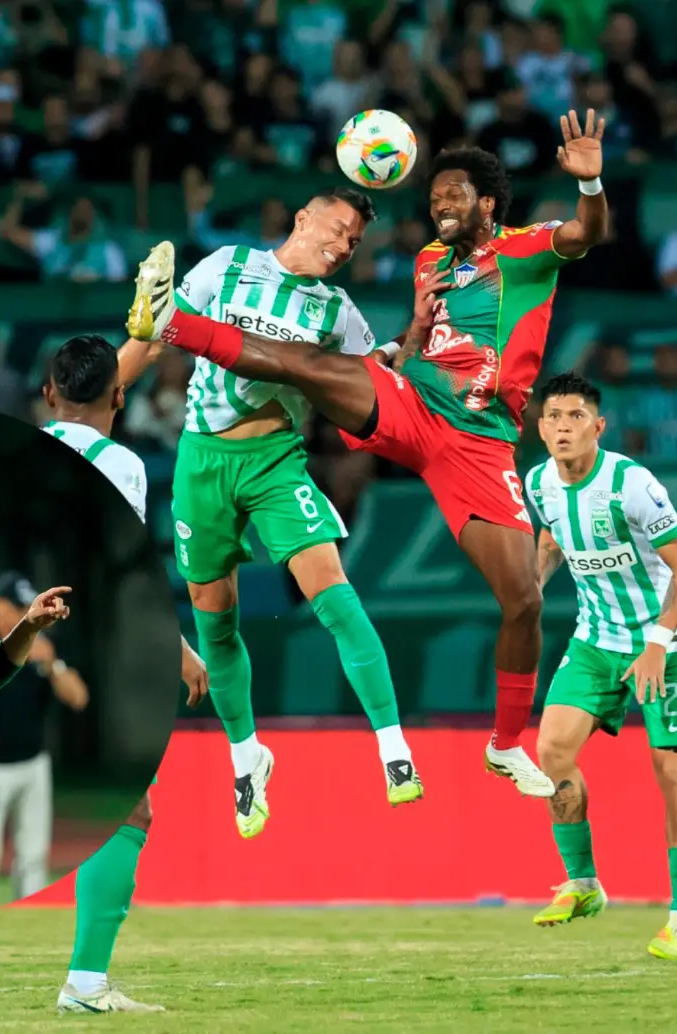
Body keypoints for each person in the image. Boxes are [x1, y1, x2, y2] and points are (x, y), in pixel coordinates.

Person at [125, 109, 610, 797]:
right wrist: (411, 333)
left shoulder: (527, 251)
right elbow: (409, 351)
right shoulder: (428, 261)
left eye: (454, 194)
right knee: (307, 364)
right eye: (434, 193)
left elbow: (587, 233)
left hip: (479, 444)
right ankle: (171, 319)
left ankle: (505, 746)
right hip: (409, 406)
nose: (439, 202)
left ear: (489, 204)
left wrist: (589, 187)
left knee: (524, 599)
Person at [119, 186, 424, 836]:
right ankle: (247, 757)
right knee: (215, 625)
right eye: (339, 229)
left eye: (355, 242)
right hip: (203, 462)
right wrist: (109, 391)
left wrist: (411, 346)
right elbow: (153, 339)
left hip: (277, 464)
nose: (344, 247)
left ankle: (394, 750)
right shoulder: (224, 267)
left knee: (335, 598)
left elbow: (370, 378)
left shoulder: (340, 313)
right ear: (303, 219)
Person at [42, 334, 208, 1014]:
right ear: (119, 395)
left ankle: (85, 984)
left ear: (49, 391)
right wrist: (180, 650)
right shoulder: (121, 466)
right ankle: (84, 985)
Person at [525, 372, 677, 961]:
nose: (563, 427)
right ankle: (583, 884)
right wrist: (529, 589)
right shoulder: (539, 484)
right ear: (541, 426)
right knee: (551, 751)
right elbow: (553, 542)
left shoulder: (632, 483)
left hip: (665, 648)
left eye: (575, 416)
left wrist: (657, 640)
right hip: (593, 641)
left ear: (598, 427)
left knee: (674, 777)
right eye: (553, 416)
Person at [0, 574, 85, 911]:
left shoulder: (43, 649)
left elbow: (78, 698)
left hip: (31, 763)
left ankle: (25, 927)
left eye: (6, 611)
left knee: (32, 856)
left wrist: (52, 663)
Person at [0, 585, 70, 698]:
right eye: (1, 614)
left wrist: (51, 665)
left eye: (26, 608)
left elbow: (79, 699)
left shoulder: (44, 644)